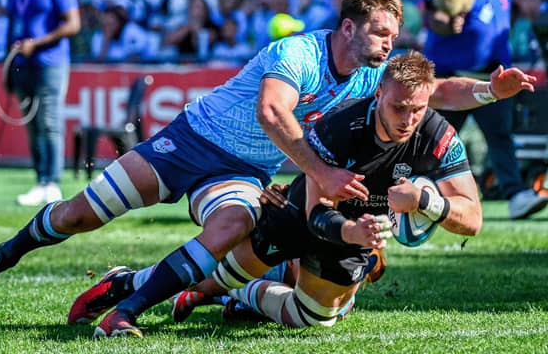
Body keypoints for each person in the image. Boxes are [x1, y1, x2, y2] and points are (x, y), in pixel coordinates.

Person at [0, 0, 534, 337]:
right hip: (192, 142)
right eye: (380, 34)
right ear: (349, 27)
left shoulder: (374, 71)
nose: (388, 45)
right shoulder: (297, 51)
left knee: (232, 226)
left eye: (392, 35)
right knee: (80, 215)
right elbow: (272, 115)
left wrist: (490, 91)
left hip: (242, 173)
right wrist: (320, 171)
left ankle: (126, 308)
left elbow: (436, 90)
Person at [161, 51, 482, 330]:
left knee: (323, 313)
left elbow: (472, 219)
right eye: (399, 107)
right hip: (309, 219)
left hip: (354, 237)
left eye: (418, 109)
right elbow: (314, 206)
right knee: (250, 260)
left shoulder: (439, 136)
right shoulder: (341, 125)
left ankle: (238, 294)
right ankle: (143, 285)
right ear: (379, 92)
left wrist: (425, 201)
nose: (408, 119)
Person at [421, 0, 548, 219]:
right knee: (436, 137)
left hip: (491, 77)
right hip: (453, 77)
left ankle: (515, 196)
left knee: (500, 135)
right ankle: (412, 187)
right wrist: (445, 24)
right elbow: (434, 10)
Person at [5, 0, 80, 206]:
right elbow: (12, 25)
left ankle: (53, 181)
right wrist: (7, 66)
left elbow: (73, 24)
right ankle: (40, 180)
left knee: (50, 121)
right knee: (32, 125)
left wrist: (36, 44)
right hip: (21, 64)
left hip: (50, 62)